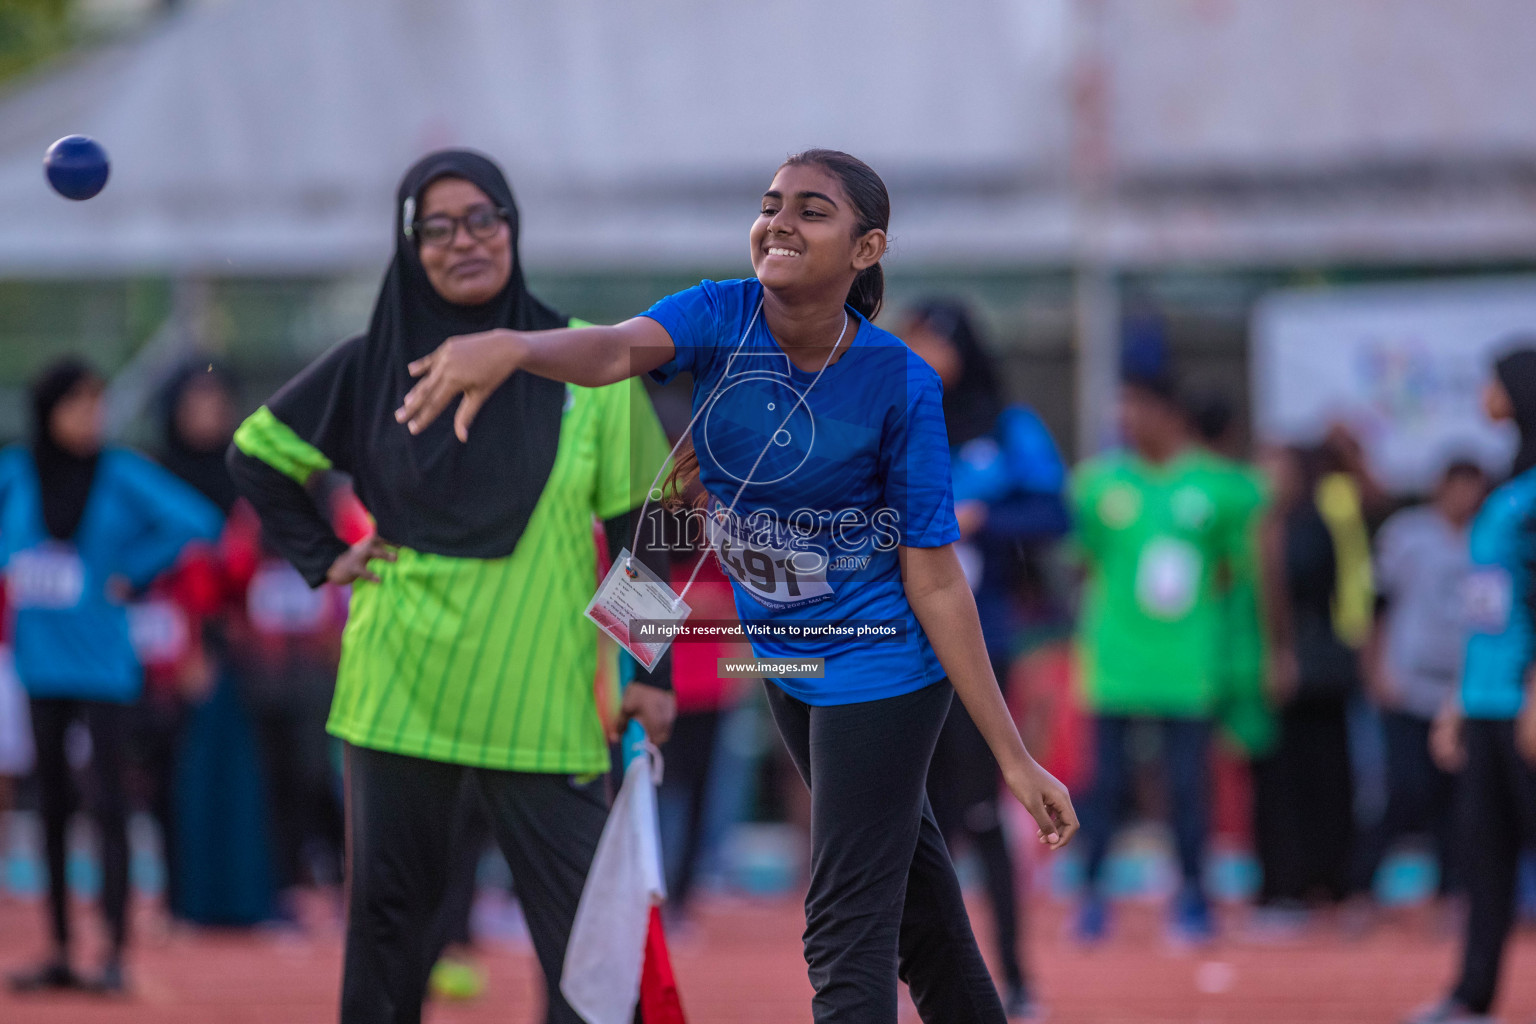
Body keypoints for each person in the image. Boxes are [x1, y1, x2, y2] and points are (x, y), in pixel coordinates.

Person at [397, 147, 1077, 1024]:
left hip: (884, 667)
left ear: (867, 249)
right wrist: (515, 346)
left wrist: (1012, 758)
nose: (780, 221)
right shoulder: (719, 316)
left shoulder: (899, 382)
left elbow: (938, 579)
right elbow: (615, 365)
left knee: (843, 927)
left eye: (812, 210)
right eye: (771, 203)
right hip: (789, 666)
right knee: (922, 919)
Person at [226, 149, 675, 1024]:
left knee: (589, 949)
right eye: (437, 227)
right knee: (390, 935)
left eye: (482, 219)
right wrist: (324, 555)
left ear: (512, 227)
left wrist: (645, 676)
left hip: (541, 706)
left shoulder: (584, 371)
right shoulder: (369, 367)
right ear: (410, 244)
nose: (463, 241)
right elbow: (256, 455)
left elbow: (650, 533)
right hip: (398, 693)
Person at [1, 358, 222, 994]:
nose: (89, 419)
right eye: (77, 405)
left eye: (97, 406)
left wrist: (138, 567)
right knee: (49, 809)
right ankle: (60, 948)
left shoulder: (120, 471)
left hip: (103, 666)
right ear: (48, 410)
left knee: (110, 804)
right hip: (38, 664)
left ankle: (116, 952)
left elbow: (198, 521)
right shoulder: (17, 472)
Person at [903, 298, 1069, 1019]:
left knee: (981, 813)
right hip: (901, 644)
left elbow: (1056, 513)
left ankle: (1015, 977)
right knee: (913, 818)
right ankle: (920, 980)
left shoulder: (1006, 427)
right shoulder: (897, 415)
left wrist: (983, 520)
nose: (920, 351)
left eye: (931, 339)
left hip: (982, 641)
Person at [1069, 369, 1259, 944]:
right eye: (1120, 408)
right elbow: (1084, 562)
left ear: (1171, 414)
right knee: (1102, 786)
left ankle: (1194, 899)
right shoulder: (1097, 485)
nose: (1125, 420)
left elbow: (1233, 571)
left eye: (1137, 407)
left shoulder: (1223, 488)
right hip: (1114, 663)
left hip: (1187, 664)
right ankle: (1092, 898)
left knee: (1186, 787)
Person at [1408, 348, 1536, 1024]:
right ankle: (1472, 994)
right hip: (1487, 701)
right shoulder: (1509, 485)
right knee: (1483, 854)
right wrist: (1460, 699)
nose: (1484, 392)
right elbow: (1490, 607)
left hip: (1525, 704)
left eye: (1495, 381)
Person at [1351, 459, 1486, 910]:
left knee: (1458, 797)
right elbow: (1377, 607)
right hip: (1406, 684)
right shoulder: (1406, 534)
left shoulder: (1485, 536)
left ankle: (1450, 889)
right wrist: (1374, 669)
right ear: (1440, 487)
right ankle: (1361, 883)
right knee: (1404, 789)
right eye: (1459, 487)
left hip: (1460, 691)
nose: (1466, 499)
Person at [1252, 445, 1367, 916]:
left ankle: (1332, 878)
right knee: (1278, 781)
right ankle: (1286, 882)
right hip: (1274, 670)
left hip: (1321, 667)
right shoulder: (1255, 526)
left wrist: (1288, 655)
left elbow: (1345, 588)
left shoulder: (1323, 520)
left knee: (1328, 776)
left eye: (1279, 468)